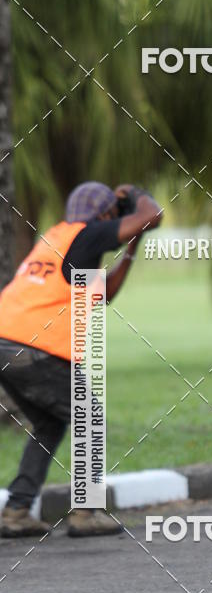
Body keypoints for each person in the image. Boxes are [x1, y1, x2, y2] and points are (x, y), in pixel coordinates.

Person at [0, 181, 162, 538]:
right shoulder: (89, 234)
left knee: (50, 423)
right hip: (33, 346)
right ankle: (86, 513)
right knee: (90, 416)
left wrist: (133, 246)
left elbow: (104, 294)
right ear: (104, 215)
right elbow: (152, 215)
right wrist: (133, 194)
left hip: (6, 343)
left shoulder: (58, 239)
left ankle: (16, 510)